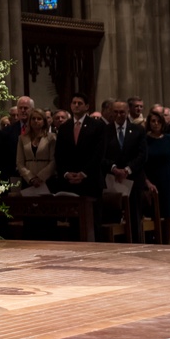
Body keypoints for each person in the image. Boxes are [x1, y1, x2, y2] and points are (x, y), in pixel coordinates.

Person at [55, 92, 106, 237]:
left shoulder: (97, 126)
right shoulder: (65, 127)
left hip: (91, 180)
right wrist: (66, 173)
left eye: (79, 103)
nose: (76, 105)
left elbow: (99, 153)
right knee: (73, 224)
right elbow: (59, 154)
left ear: (87, 106)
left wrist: (84, 173)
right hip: (70, 181)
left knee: (93, 221)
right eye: (74, 103)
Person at [104, 100, 147, 241]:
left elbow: (142, 155)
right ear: (111, 112)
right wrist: (114, 168)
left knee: (134, 215)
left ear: (127, 112)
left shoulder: (137, 130)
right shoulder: (105, 131)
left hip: (133, 178)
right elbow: (100, 155)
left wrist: (127, 170)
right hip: (112, 178)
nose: (118, 115)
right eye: (115, 112)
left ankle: (136, 244)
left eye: (122, 112)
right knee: (113, 215)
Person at [143, 109, 170, 241]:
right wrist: (146, 182)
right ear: (149, 123)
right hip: (152, 180)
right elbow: (141, 163)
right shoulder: (144, 140)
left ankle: (168, 244)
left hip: (169, 180)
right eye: (153, 121)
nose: (156, 124)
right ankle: (156, 242)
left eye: (159, 121)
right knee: (154, 214)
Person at [16, 108, 56, 191]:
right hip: (28, 181)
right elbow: (19, 162)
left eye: (39, 119)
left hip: (46, 179)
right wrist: (30, 178)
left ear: (44, 121)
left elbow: (54, 161)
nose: (36, 121)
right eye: (33, 118)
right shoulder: (22, 138)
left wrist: (40, 177)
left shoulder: (51, 137)